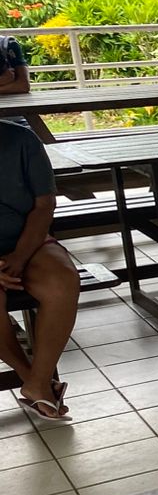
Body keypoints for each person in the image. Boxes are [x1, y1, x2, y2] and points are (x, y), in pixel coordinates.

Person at [0, 121, 79, 420]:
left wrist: (19, 257)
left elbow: (44, 205)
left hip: (27, 240)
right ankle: (34, 380)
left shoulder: (22, 139)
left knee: (63, 282)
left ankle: (38, 381)